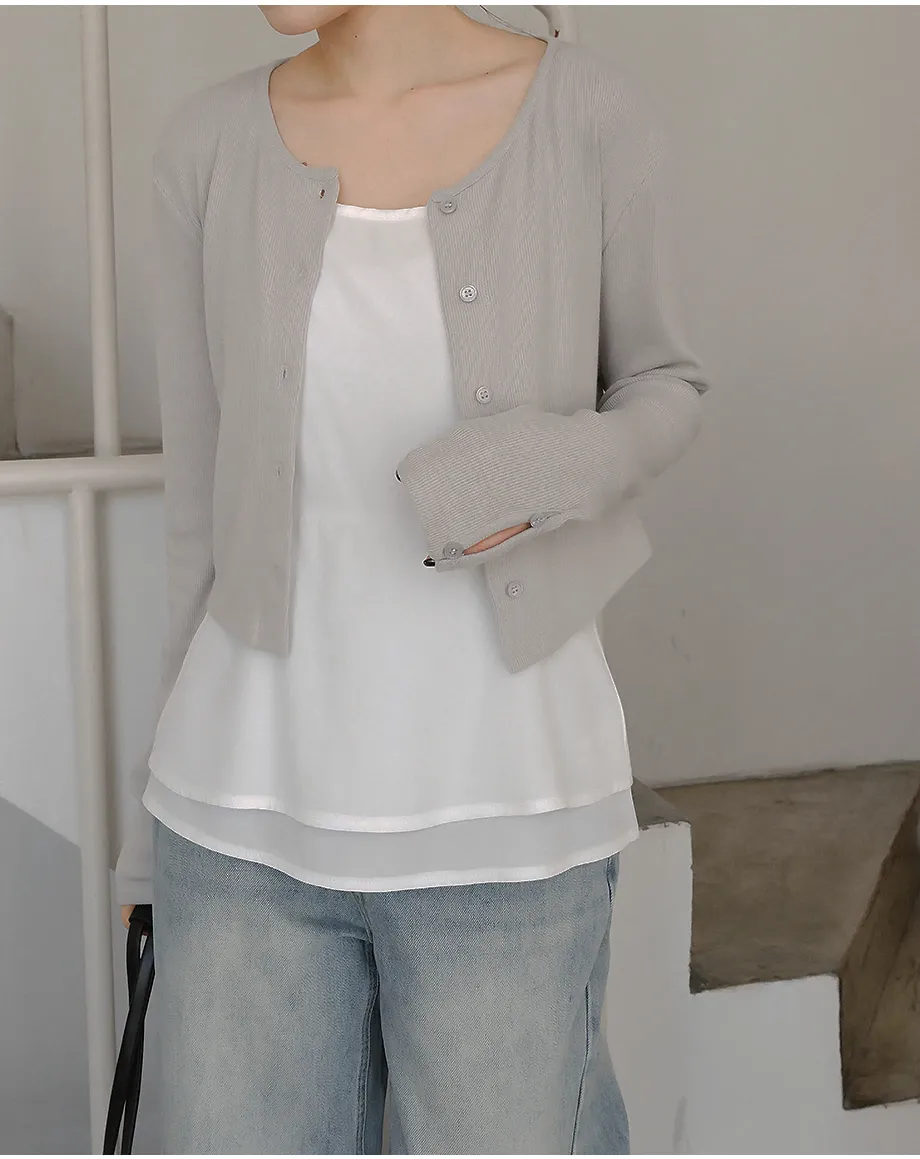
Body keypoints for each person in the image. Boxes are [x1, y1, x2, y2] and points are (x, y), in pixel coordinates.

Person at [114, 4, 709, 1153]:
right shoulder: (205, 146)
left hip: (507, 816)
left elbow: (665, 381)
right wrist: (144, 845)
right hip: (236, 823)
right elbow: (199, 517)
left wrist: (545, 465)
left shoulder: (590, 115)